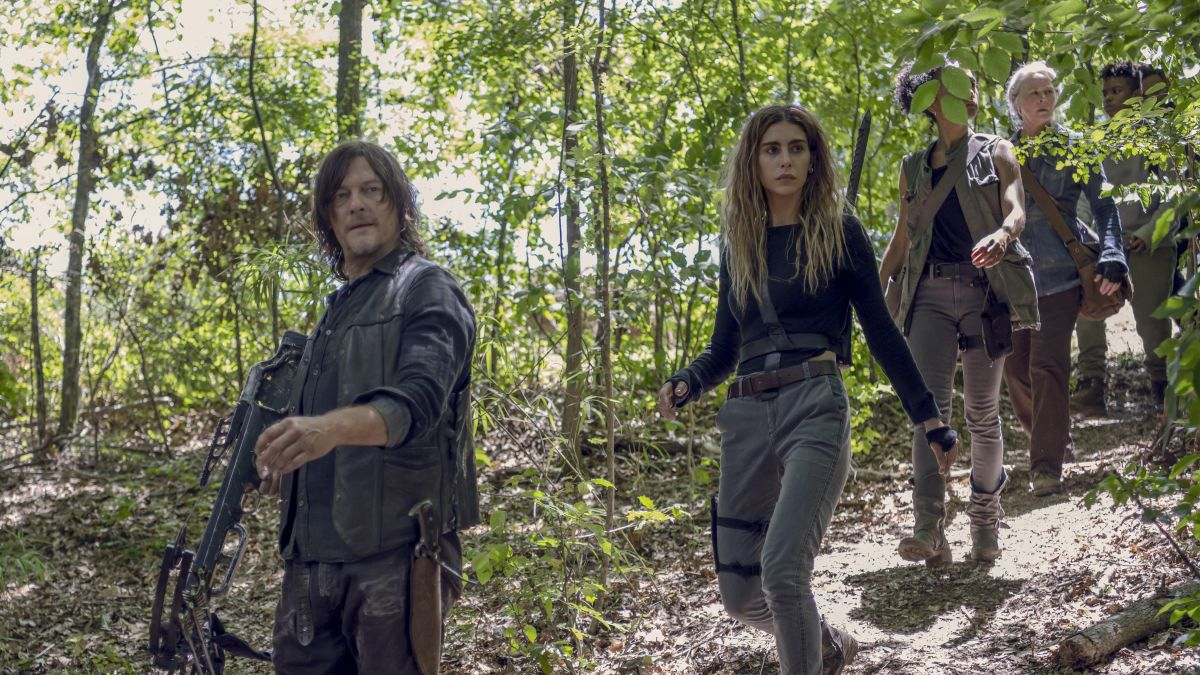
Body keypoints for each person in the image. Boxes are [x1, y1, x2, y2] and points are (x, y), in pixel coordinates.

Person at [657, 104, 956, 674]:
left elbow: (882, 331)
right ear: (753, 161)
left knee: (782, 570)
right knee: (740, 595)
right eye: (772, 149)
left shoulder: (840, 233)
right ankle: (826, 644)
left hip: (814, 405)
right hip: (746, 417)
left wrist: (930, 418)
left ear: (814, 159)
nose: (785, 160)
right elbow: (725, 347)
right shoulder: (738, 243)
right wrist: (688, 380)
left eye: (797, 148)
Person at [254, 140, 479, 673]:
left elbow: (417, 402)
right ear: (329, 219)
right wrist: (288, 459)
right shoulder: (334, 312)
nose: (355, 204)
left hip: (396, 561)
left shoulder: (427, 288)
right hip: (311, 566)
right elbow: (322, 428)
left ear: (399, 205)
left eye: (371, 190)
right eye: (341, 196)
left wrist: (327, 430)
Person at [879, 63, 1036, 565]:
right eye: (956, 82)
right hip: (926, 295)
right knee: (927, 412)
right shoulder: (912, 167)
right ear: (930, 98)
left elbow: (1016, 207)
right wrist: (873, 295)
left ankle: (985, 524)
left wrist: (1004, 234)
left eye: (973, 83)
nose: (972, 91)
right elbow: (902, 241)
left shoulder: (997, 151)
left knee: (983, 414)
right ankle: (929, 525)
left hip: (984, 294)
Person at [1003, 62, 1127, 496]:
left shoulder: (1076, 147)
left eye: (1049, 92)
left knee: (1047, 366)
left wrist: (1112, 253)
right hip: (1014, 282)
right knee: (1015, 371)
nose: (1044, 99)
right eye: (1034, 93)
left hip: (1060, 276)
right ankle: (1054, 435)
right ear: (1015, 104)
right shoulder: (1001, 153)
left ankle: (1045, 465)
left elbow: (1105, 206)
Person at [1073, 61, 1177, 415]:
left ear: (1137, 94)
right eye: (1104, 93)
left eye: (1116, 91)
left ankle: (1162, 389)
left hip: (1150, 246)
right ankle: (1092, 385)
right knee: (1089, 312)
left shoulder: (1159, 139)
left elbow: (1175, 197)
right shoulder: (1096, 141)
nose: (1108, 99)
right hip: (1105, 246)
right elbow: (1085, 198)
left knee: (1152, 322)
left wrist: (1149, 234)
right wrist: (1085, 237)